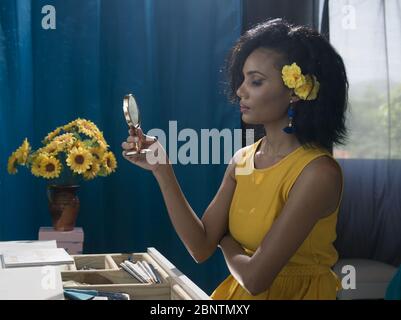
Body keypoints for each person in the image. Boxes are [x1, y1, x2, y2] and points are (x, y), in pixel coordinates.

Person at [121, 18, 348, 300]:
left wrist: (226, 242)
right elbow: (201, 246)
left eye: (256, 81)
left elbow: (255, 278)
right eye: (242, 79)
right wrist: (162, 170)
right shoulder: (243, 159)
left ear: (295, 91)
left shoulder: (318, 173)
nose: (240, 90)